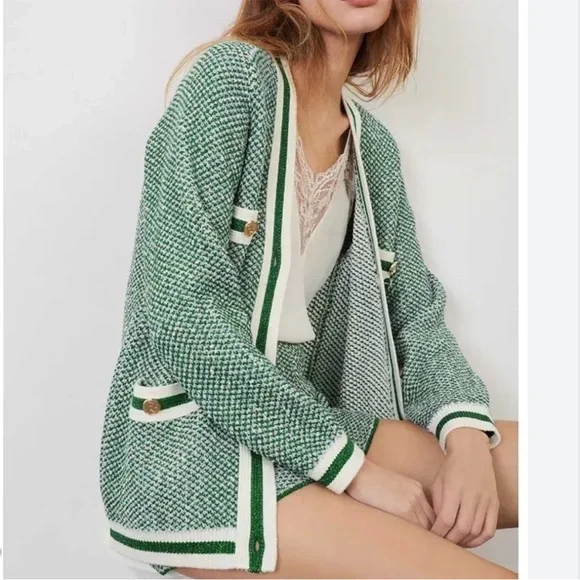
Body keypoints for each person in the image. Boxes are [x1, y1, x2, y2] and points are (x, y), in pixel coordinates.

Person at [98, 0, 518, 578]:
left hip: (310, 419)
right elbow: (183, 316)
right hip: (197, 446)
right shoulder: (228, 82)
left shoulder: (371, 148)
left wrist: (467, 437)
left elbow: (414, 315)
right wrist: (355, 473)